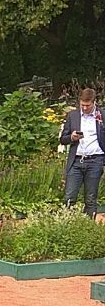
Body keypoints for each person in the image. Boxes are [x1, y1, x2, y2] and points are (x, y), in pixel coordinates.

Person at [61, 87, 105, 217]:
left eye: (87, 105)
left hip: (95, 161)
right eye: (82, 105)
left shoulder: (102, 116)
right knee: (69, 197)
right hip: (76, 161)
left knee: (91, 199)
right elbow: (63, 139)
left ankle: (88, 228)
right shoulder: (73, 116)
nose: (84, 108)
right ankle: (67, 227)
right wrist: (71, 138)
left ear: (94, 102)